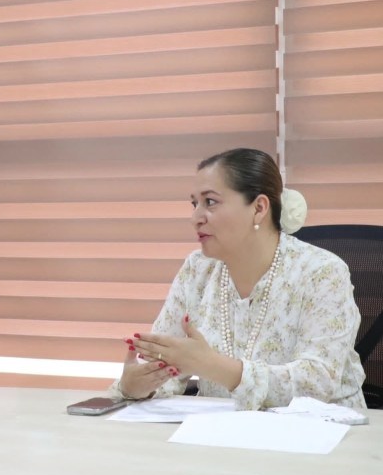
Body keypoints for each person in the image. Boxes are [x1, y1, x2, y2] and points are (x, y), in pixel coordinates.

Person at [109, 148, 367, 409]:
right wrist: (137, 386)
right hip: (223, 429)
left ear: (258, 208)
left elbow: (317, 383)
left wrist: (211, 365)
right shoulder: (197, 270)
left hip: (323, 429)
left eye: (210, 202)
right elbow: (165, 366)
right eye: (194, 204)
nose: (195, 218)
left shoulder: (322, 271)